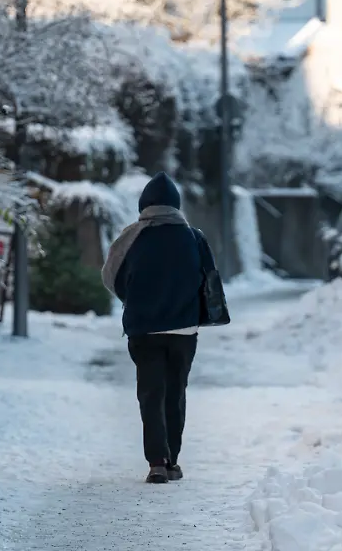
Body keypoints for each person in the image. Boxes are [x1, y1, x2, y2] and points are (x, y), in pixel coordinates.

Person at [101, 172, 216, 484]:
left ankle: (156, 462)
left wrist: (134, 298)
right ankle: (173, 460)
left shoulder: (131, 236)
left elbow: (111, 276)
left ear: (144, 205)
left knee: (151, 393)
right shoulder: (194, 237)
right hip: (183, 331)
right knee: (175, 393)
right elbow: (208, 279)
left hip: (144, 330)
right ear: (176, 205)